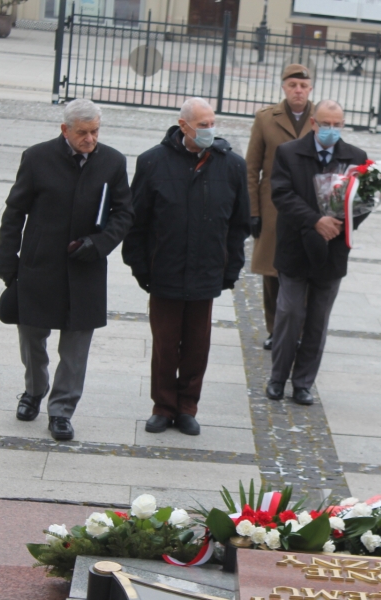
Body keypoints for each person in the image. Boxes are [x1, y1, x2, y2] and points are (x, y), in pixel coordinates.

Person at [0, 99, 133, 441]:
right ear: (65, 130)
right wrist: (7, 261)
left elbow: (124, 213)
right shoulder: (37, 158)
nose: (90, 139)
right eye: (82, 132)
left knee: (76, 347)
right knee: (31, 336)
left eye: (95, 131)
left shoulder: (113, 161)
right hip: (40, 265)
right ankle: (34, 391)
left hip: (86, 268)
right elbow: (14, 212)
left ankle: (62, 410)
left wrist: (98, 244)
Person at [122, 98, 250, 436]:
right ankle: (163, 407)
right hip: (164, 270)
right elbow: (137, 221)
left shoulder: (232, 166)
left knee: (197, 346)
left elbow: (239, 224)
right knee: (165, 345)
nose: (209, 130)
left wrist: (230, 268)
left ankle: (187, 407)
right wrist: (140, 267)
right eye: (202, 125)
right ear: (183, 126)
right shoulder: (153, 161)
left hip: (207, 271)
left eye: (212, 123)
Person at [265, 100, 367, 406]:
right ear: (313, 123)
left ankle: (303, 383)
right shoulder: (289, 152)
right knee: (289, 313)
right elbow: (281, 194)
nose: (331, 130)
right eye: (326, 124)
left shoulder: (356, 157)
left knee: (318, 320)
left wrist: (340, 223)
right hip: (296, 246)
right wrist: (314, 220)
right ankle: (277, 378)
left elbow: (364, 201)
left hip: (333, 250)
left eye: (337, 125)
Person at [246, 64, 316, 350]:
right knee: (272, 271)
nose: (298, 90)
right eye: (292, 85)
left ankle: (299, 330)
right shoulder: (266, 118)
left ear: (310, 88)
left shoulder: (321, 118)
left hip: (311, 206)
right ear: (284, 87)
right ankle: (275, 329)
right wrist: (253, 212)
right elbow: (251, 168)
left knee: (308, 268)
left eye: (303, 85)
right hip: (273, 207)